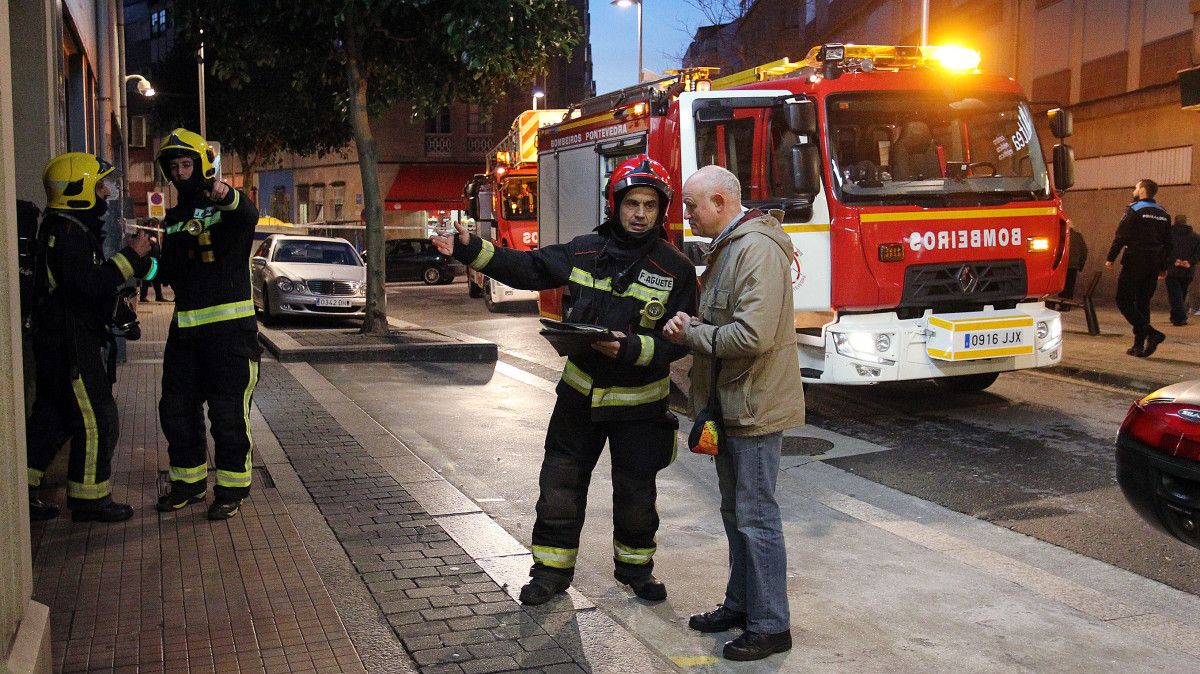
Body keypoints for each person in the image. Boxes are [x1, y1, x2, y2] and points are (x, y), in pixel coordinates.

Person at [432, 156, 697, 605]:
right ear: (615, 204)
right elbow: (530, 268)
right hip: (579, 399)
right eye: (632, 202)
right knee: (559, 488)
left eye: (650, 205)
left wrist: (631, 349)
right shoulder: (584, 250)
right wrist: (468, 249)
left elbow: (683, 338)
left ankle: (636, 571)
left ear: (661, 210)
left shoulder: (676, 269)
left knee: (637, 496)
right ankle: (550, 574)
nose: (640, 213)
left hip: (641, 408)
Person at [663, 165, 804, 662]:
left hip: (755, 405)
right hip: (730, 404)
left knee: (757, 515)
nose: (686, 215)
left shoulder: (756, 250)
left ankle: (771, 625)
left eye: (691, 205)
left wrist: (690, 335)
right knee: (736, 512)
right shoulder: (729, 248)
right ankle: (742, 605)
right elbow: (726, 321)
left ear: (721, 202)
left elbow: (751, 336)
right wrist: (698, 324)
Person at [26, 152, 155, 522]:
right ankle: (89, 500)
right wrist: (130, 257)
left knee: (54, 417)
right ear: (79, 190)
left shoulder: (62, 227)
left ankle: (22, 489)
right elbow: (86, 285)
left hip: (58, 340)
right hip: (71, 345)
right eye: (100, 185)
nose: (107, 191)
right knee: (98, 419)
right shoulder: (68, 233)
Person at [152, 128, 262, 521]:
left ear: (203, 164)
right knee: (176, 409)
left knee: (228, 415)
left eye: (187, 164)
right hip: (185, 333)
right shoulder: (176, 216)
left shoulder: (226, 207)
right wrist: (139, 264)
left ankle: (231, 490)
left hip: (230, 334)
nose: (181, 173)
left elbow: (248, 215)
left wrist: (227, 194)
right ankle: (188, 483)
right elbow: (166, 271)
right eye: (175, 167)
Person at [1105, 178, 1172, 357]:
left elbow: (1121, 235)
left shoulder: (1134, 209)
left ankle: (1151, 333)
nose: (1134, 190)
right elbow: (1168, 243)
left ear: (1142, 190)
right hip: (1154, 263)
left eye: (1136, 187)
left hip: (1135, 260)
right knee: (1143, 303)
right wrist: (1164, 267)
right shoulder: (1163, 213)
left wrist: (1111, 257)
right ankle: (1138, 346)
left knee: (1123, 300)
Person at [1166, 214, 1200, 326]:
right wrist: (1189, 262)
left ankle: (1180, 318)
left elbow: (1165, 250)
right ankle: (1175, 316)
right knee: (1181, 294)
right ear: (1186, 222)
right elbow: (1198, 253)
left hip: (1172, 269)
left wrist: (1174, 260)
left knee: (1175, 296)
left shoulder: (1168, 235)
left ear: (1175, 222)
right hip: (1188, 271)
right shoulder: (1196, 237)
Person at [139, 224, 165, 301]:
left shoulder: (156, 236)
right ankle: (143, 296)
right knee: (147, 279)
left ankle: (158, 296)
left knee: (156, 279)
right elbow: (149, 245)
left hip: (155, 261)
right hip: (149, 261)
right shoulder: (150, 235)